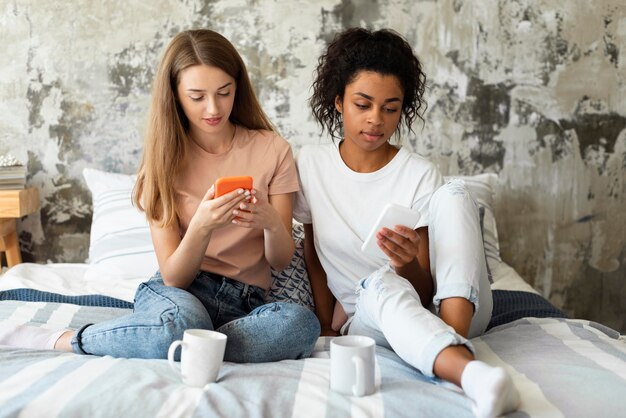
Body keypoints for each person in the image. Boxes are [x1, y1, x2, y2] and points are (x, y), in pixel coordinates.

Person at [1, 29, 319, 362]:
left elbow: (280, 260)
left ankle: (186, 344)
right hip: (182, 294)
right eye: (197, 96)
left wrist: (270, 222)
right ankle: (70, 339)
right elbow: (174, 276)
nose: (213, 108)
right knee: (181, 323)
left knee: (300, 325)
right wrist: (201, 226)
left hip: (248, 302)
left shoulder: (273, 149)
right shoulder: (163, 161)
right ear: (175, 95)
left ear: (237, 88)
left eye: (224, 92)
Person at [295, 28, 520, 417]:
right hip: (371, 316)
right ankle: (471, 374)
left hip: (450, 307)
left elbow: (428, 285)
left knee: (452, 194)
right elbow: (312, 252)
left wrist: (406, 264)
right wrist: (324, 325)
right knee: (381, 284)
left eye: (390, 107)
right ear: (338, 102)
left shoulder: (419, 173)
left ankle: (451, 337)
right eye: (362, 104)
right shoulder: (311, 165)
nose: (376, 120)